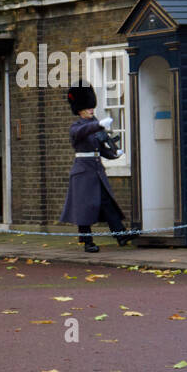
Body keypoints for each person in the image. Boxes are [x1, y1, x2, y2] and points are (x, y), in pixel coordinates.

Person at [58, 84, 132, 253]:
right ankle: (87, 241)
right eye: (87, 108)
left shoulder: (95, 125)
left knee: (107, 203)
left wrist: (115, 154)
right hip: (82, 172)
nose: (91, 110)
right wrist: (99, 125)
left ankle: (120, 235)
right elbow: (83, 132)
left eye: (91, 107)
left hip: (97, 170)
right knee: (84, 207)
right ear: (79, 110)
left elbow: (102, 149)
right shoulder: (76, 127)